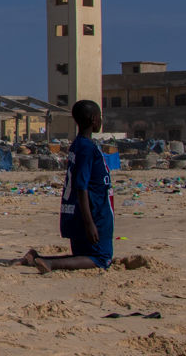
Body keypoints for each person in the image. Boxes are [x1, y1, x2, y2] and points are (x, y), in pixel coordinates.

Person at [13, 99, 114, 274]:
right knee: (101, 258)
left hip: (79, 212)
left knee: (83, 254)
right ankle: (51, 265)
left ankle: (36, 259)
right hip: (93, 211)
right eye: (99, 117)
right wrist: (89, 223)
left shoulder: (79, 144)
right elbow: (81, 186)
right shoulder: (87, 148)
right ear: (93, 119)